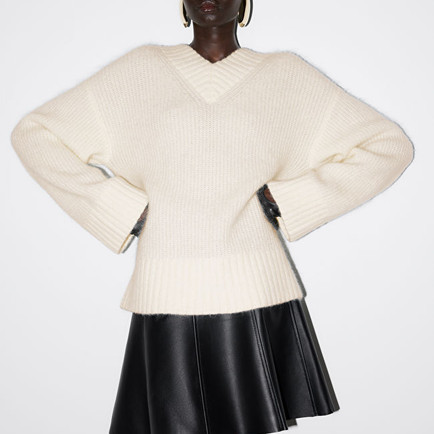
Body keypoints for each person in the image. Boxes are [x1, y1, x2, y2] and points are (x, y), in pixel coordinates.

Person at [10, 1, 414, 433]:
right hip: (166, 294)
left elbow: (388, 146)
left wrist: (291, 200)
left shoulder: (285, 75)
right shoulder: (139, 71)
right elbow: (35, 135)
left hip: (254, 294)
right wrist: (116, 208)